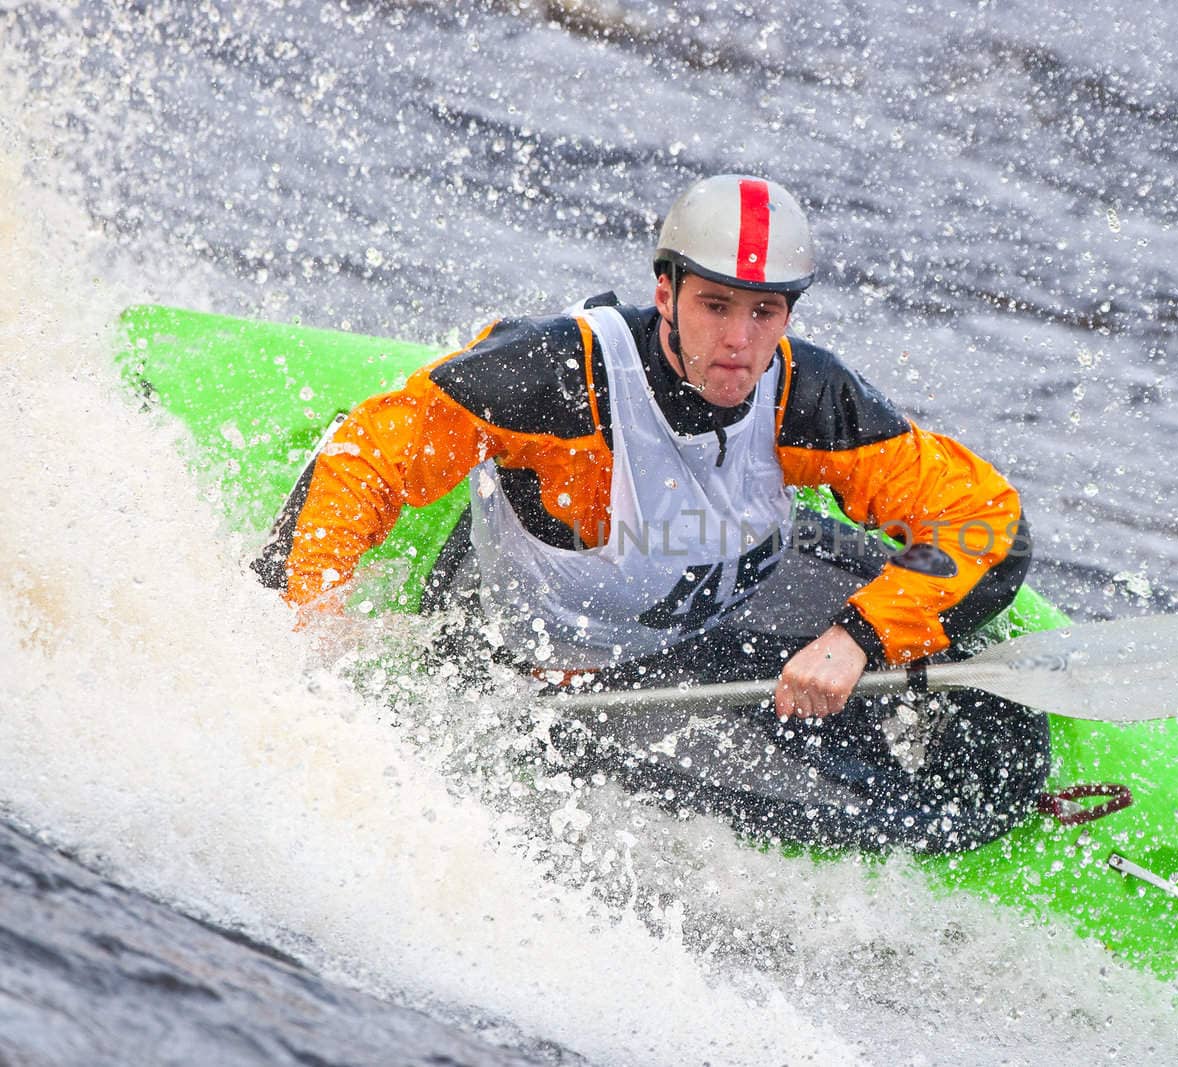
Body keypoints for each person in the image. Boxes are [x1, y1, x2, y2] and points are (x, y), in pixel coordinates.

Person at [254, 174, 1048, 852]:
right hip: (545, 659)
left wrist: (859, 637)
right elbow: (365, 455)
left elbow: (985, 523)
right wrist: (306, 609)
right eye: (714, 307)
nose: (739, 343)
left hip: (718, 612)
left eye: (764, 314)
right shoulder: (559, 376)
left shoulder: (808, 395)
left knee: (984, 749)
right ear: (664, 293)